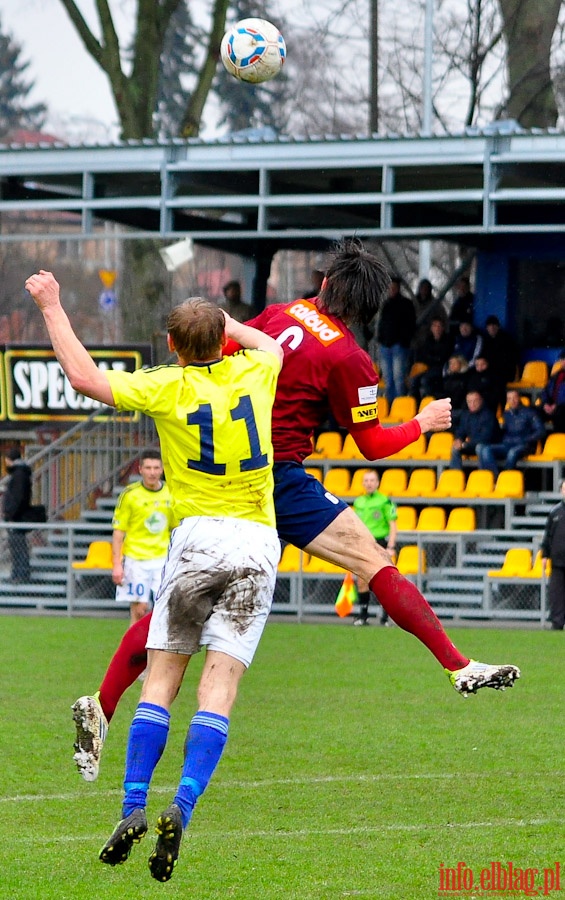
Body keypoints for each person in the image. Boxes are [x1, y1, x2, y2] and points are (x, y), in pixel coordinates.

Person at [60, 240, 519, 785]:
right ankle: (457, 666)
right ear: (369, 308)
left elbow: (224, 341)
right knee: (372, 561)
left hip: (223, 474)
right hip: (276, 479)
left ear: (324, 285)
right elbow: (371, 443)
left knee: (174, 615)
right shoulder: (352, 359)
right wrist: (422, 422)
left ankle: (102, 704)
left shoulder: (283, 313)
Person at [25, 269, 283, 882]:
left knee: (160, 681)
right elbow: (265, 343)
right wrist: (226, 329)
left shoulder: (167, 387)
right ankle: (183, 807)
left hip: (196, 541)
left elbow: (84, 378)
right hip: (257, 542)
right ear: (224, 341)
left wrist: (54, 306)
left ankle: (133, 805)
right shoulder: (256, 369)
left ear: (171, 346)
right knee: (217, 692)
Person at [112, 449, 174, 625]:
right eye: (148, 468)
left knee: (164, 610)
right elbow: (118, 532)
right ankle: (136, 652)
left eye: (156, 468)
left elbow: (176, 528)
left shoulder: (171, 493)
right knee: (139, 610)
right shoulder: (130, 495)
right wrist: (117, 565)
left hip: (162, 559)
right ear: (140, 470)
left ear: (162, 470)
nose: (152, 472)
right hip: (136, 560)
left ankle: (156, 651)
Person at [352, 470, 397, 626]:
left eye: (372, 480)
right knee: (362, 580)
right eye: (366, 480)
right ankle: (363, 615)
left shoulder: (384, 501)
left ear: (377, 483)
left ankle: (385, 617)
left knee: (384, 580)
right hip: (363, 544)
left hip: (380, 543)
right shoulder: (358, 502)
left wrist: (391, 546)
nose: (369, 483)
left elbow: (392, 524)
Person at [476, 389, 545, 476]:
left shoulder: (530, 412)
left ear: (519, 398)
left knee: (512, 453)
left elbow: (541, 431)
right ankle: (495, 477)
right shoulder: (506, 414)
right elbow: (503, 432)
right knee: (485, 449)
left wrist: (526, 439)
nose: (512, 401)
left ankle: (505, 477)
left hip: (524, 445)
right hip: (507, 444)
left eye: (515, 397)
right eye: (509, 398)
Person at [376, 276, 417, 403]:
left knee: (398, 378)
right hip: (385, 345)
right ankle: (389, 405)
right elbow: (381, 324)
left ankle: (399, 405)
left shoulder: (406, 304)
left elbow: (411, 325)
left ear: (398, 288)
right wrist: (381, 339)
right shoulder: (386, 304)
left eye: (394, 287)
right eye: (390, 287)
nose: (392, 289)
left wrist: (403, 340)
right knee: (388, 378)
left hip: (399, 346)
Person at [2, 447, 32, 582]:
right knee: (16, 546)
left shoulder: (19, 475)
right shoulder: (20, 473)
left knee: (18, 546)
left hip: (16, 517)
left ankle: (21, 574)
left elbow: (18, 497)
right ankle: (17, 573)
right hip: (16, 516)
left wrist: (10, 513)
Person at [450, 391, 500, 470]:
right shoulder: (466, 415)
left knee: (480, 448)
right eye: (469, 402)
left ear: (481, 401)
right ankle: (455, 476)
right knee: (455, 449)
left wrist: (465, 444)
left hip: (489, 446)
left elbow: (485, 438)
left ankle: (489, 475)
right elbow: (460, 431)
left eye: (475, 401)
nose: (472, 404)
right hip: (471, 445)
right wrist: (458, 440)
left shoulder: (488, 415)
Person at [540, 480, 565, 630]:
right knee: (556, 593)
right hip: (557, 562)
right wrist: (544, 555)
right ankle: (557, 622)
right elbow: (548, 536)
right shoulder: (555, 512)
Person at [480, 315, 519, 407]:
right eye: (490, 326)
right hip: (489, 373)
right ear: (487, 328)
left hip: (504, 373)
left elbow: (512, 358)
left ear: (498, 327)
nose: (492, 328)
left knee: (498, 386)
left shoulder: (506, 339)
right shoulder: (485, 340)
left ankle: (501, 410)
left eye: (494, 326)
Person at [409, 316, 451, 401]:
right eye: (435, 326)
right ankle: (414, 403)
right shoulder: (427, 340)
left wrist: (432, 359)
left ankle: (429, 401)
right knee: (414, 379)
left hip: (442, 368)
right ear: (431, 328)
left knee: (425, 380)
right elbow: (423, 356)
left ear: (443, 328)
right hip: (428, 368)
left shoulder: (448, 340)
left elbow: (443, 357)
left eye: (439, 326)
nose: (437, 328)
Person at [540, 352, 565, 433]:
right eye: (562, 359)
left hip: (562, 407)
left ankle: (558, 440)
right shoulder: (556, 375)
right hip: (551, 406)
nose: (563, 362)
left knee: (560, 414)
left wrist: (556, 405)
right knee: (533, 412)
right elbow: (545, 391)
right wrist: (545, 403)